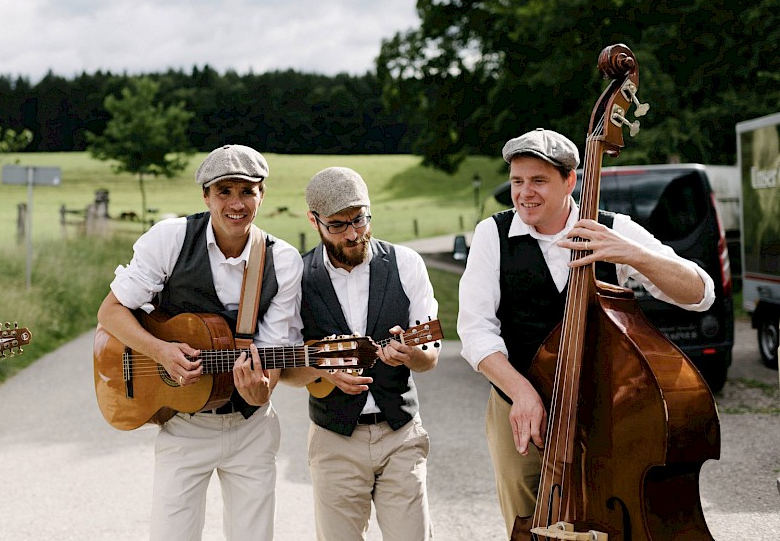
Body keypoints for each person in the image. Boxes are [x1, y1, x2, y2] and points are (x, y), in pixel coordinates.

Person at [456, 128, 716, 537]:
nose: (525, 193)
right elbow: (475, 332)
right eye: (517, 181)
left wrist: (632, 253)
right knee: (531, 523)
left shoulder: (613, 228)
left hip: (608, 414)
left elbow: (700, 294)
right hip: (520, 407)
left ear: (571, 180)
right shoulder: (493, 234)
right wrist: (521, 393)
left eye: (538, 180)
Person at [95, 144, 303, 541]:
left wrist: (261, 391)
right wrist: (160, 351)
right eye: (224, 191)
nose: (236, 203)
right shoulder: (170, 239)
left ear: (262, 194)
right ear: (205, 195)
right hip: (184, 426)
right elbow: (111, 312)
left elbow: (274, 351)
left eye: (247, 191)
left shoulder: (284, 260)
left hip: (252, 428)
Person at [281, 166, 439, 541]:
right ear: (314, 221)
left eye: (360, 219)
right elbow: (284, 371)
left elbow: (429, 354)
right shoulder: (296, 277)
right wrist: (322, 367)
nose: (353, 234)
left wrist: (409, 355)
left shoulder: (406, 264)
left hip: (400, 433)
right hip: (333, 438)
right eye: (338, 225)